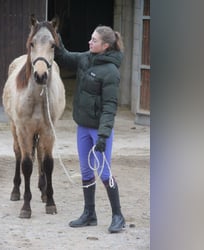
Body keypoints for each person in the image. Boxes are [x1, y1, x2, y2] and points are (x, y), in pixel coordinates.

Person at [54, 25, 126, 233]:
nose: (89, 42)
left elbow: (110, 107)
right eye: (91, 38)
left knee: (104, 172)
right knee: (86, 171)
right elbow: (66, 57)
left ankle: (118, 215)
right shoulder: (86, 58)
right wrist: (55, 37)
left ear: (105, 46)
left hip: (99, 131)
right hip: (83, 127)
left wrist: (103, 135)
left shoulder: (111, 72)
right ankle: (89, 214)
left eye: (94, 40)